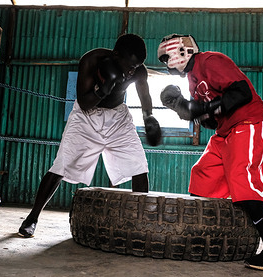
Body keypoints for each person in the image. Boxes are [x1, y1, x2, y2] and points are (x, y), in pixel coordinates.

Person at [157, 34, 263, 271]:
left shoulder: (211, 61)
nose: (166, 62)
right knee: (202, 174)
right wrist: (185, 110)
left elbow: (242, 93)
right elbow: (209, 122)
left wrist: (204, 107)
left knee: (242, 180)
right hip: (224, 131)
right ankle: (200, 238)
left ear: (183, 51)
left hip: (248, 123)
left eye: (167, 56)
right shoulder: (192, 80)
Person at [18, 33, 162, 238]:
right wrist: (104, 88)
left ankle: (141, 225)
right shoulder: (91, 60)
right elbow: (85, 102)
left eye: (136, 67)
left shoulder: (138, 70)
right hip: (86, 116)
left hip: (118, 118)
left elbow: (144, 94)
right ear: (115, 55)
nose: (131, 72)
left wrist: (149, 118)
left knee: (139, 167)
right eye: (128, 66)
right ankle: (32, 218)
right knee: (61, 166)